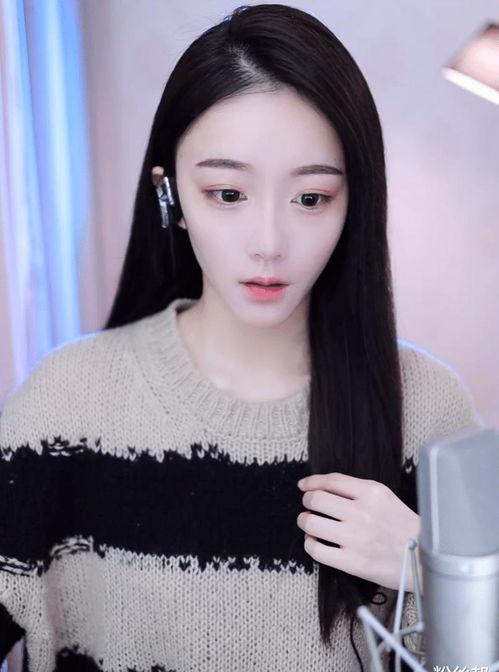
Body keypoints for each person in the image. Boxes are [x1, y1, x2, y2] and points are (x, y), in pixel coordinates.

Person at [0, 3, 482, 671]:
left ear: (354, 203)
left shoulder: (426, 411)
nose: (268, 243)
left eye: (310, 198)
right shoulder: (69, 403)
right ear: (170, 195)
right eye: (228, 194)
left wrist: (432, 568)